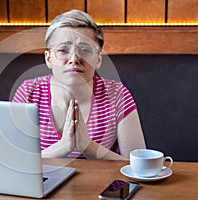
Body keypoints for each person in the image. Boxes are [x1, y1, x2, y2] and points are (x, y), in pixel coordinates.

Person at [12, 10, 146, 160]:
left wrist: (88, 146)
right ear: (48, 58)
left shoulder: (117, 94)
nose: (74, 59)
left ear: (98, 60)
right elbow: (15, 161)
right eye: (63, 50)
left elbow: (138, 166)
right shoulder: (28, 92)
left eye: (85, 50)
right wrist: (64, 147)